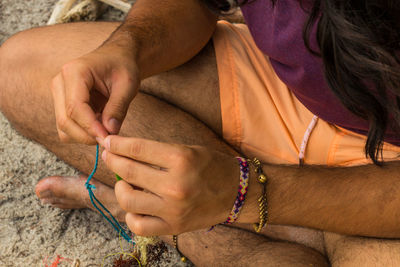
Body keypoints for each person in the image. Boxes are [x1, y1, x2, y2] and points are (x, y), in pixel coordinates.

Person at [1, 0, 400, 265]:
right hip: (286, 90)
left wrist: (246, 192)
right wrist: (129, 47)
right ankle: (294, 234)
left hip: (387, 174)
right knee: (20, 70)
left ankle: (184, 226)